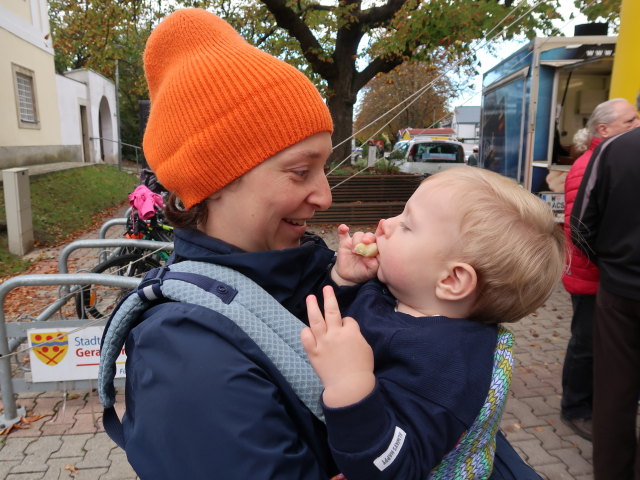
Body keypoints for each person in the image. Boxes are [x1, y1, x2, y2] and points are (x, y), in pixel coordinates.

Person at [99, 8, 340, 478]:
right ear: (215, 180)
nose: (325, 197)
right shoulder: (189, 357)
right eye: (300, 170)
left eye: (325, 168)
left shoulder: (301, 276)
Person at [302, 166, 565, 479]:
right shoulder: (398, 294)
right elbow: (337, 321)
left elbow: (396, 466)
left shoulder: (448, 369)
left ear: (452, 279)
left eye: (408, 225)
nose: (386, 225)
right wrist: (344, 280)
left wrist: (350, 383)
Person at [560, 98, 640, 440]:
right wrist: (608, 265)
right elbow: (581, 227)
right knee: (585, 343)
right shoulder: (591, 163)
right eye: (630, 120)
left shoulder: (608, 157)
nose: (636, 124)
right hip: (594, 277)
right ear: (604, 130)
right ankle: (575, 408)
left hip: (604, 274)